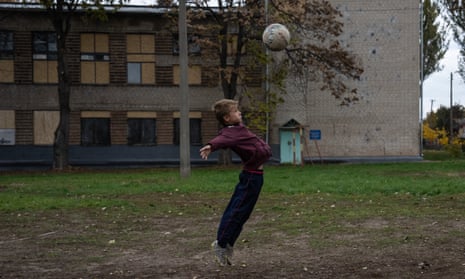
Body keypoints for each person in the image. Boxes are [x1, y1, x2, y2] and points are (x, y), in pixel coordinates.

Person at [199, 99, 272, 266]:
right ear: (227, 118)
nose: (240, 113)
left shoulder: (239, 129)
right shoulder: (231, 131)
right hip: (250, 178)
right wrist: (211, 146)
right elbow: (222, 139)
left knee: (243, 213)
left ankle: (228, 243)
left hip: (256, 177)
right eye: (236, 111)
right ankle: (221, 243)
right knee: (236, 211)